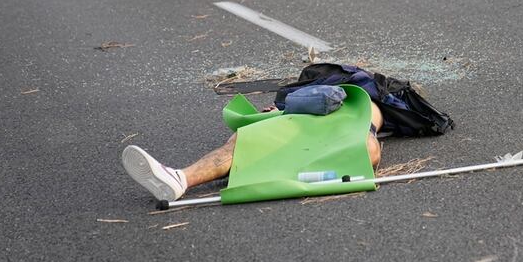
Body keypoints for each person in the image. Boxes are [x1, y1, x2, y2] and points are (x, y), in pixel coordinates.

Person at [121, 99, 384, 202]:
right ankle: (179, 178)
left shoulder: (366, 95)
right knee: (242, 143)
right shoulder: (311, 89)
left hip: (340, 127)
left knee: (367, 148)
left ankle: (182, 177)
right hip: (298, 126)